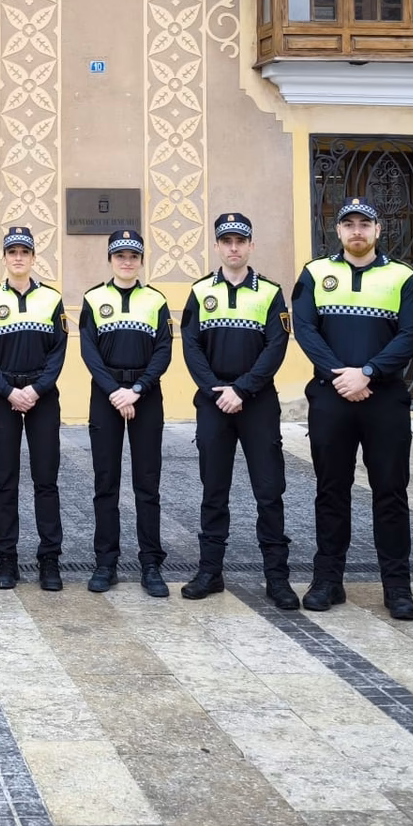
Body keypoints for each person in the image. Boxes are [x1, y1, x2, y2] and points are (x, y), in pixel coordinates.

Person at [290, 197, 413, 619]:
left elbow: (411, 334)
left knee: (391, 493)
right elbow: (305, 329)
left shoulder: (403, 277)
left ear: (377, 230)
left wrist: (368, 372)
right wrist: (340, 375)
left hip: (384, 399)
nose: (356, 231)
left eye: (364, 224)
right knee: (331, 491)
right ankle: (327, 580)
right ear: (338, 231)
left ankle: (397, 587)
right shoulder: (315, 273)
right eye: (348, 224)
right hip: (331, 396)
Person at [178, 212, 296, 610]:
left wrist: (242, 389)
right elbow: (191, 346)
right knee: (214, 490)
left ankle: (277, 578)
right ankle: (210, 572)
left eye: (240, 241)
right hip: (214, 403)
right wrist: (217, 391)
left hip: (257, 403)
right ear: (216, 246)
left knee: (269, 490)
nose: (233, 248)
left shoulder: (270, 292)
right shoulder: (200, 292)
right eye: (226, 241)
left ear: (251, 246)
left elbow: (276, 347)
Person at [0, 226, 68, 592]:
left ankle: (49, 559)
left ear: (33, 257)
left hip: (43, 398)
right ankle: (6, 559)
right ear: (4, 257)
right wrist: (9, 390)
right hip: (3, 397)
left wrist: (36, 389)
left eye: (24, 252)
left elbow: (58, 351)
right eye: (12, 252)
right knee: (4, 481)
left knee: (46, 480)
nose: (18, 257)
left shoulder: (52, 299)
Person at [79, 229, 173, 597]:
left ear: (141, 261)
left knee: (147, 484)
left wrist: (137, 389)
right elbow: (89, 352)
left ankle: (151, 563)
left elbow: (163, 350)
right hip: (107, 395)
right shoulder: (94, 298)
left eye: (133, 256)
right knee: (106, 483)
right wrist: (115, 392)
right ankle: (106, 563)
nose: (127, 262)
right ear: (110, 259)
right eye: (120, 256)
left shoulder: (156, 300)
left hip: (144, 395)